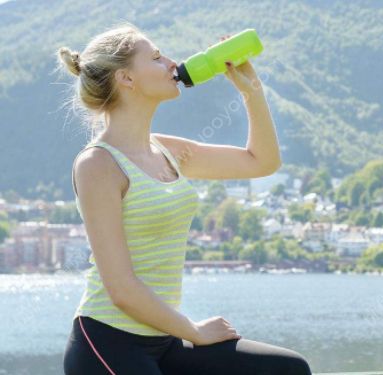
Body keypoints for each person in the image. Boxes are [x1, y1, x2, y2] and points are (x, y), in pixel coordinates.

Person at [57, 22, 311, 374]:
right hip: (107, 343)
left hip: (165, 339)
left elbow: (262, 161)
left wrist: (251, 90)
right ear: (126, 79)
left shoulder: (167, 151)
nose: (173, 64)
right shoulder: (98, 164)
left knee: (286, 369)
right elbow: (121, 288)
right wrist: (193, 330)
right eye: (158, 57)